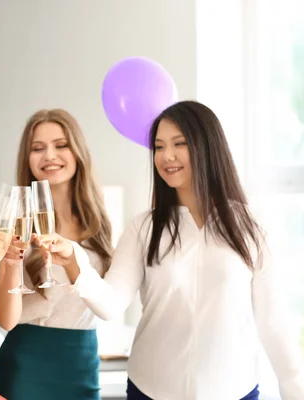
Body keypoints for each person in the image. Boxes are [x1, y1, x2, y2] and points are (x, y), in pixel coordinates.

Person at [50, 100, 304, 399]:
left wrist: (294, 389)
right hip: (151, 389)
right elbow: (111, 304)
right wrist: (73, 261)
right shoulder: (143, 228)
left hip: (235, 389)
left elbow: (273, 321)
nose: (166, 156)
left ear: (208, 146)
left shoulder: (252, 226)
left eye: (179, 143)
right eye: (158, 147)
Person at [0, 109, 114, 400]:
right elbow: (6, 320)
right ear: (28, 158)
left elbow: (110, 301)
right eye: (38, 148)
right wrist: (10, 264)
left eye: (61, 145)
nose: (49, 156)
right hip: (26, 363)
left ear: (78, 151)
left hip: (81, 362)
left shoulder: (102, 221)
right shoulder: (14, 219)